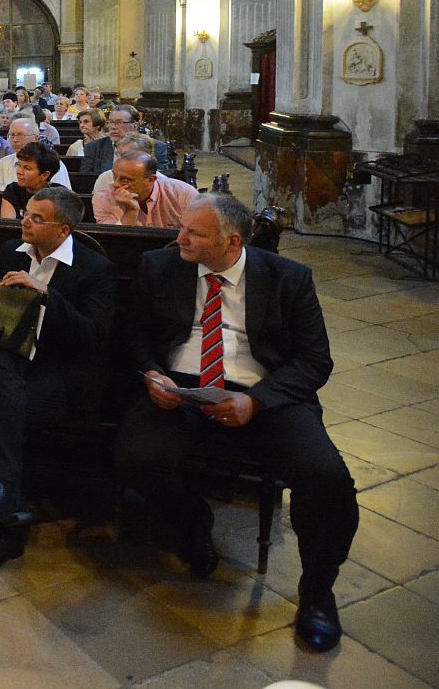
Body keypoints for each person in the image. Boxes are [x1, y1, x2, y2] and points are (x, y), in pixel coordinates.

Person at [115, 194, 357, 653]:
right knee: (136, 457)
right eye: (183, 227)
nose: (180, 239)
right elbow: (133, 336)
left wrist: (256, 402)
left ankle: (317, 592)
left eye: (194, 233)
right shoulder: (160, 267)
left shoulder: (288, 278)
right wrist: (151, 373)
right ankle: (192, 520)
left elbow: (314, 361)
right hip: (182, 386)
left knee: (327, 478)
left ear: (231, 242)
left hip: (262, 390)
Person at [0, 187, 117, 572]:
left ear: (63, 231)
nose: (25, 221)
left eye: (37, 218)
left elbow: (93, 336)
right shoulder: (10, 252)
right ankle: (8, 504)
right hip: (14, 360)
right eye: (26, 213)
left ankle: (4, 520)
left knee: (5, 410)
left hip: (61, 371)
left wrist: (46, 293)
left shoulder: (95, 269)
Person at [94, 150, 198, 227]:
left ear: (151, 179)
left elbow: (197, 234)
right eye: (115, 176)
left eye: (126, 179)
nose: (116, 184)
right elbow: (112, 241)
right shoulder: (103, 198)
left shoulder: (183, 194)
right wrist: (130, 211)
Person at [0, 117, 70, 192]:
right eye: (12, 135)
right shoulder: (2, 164)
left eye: (21, 135)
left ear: (36, 138)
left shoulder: (53, 164)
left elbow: (62, 197)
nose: (15, 140)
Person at [0, 143, 61, 219]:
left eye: (27, 168)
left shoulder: (59, 196)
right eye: (19, 165)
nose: (19, 172)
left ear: (44, 175)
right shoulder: (13, 190)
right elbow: (8, 223)